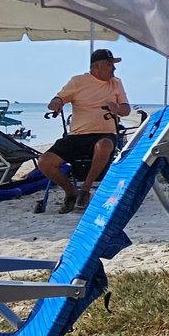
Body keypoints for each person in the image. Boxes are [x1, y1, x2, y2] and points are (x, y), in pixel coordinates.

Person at [39, 48, 131, 214]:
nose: (114, 68)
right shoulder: (77, 81)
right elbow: (59, 98)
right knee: (45, 162)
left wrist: (117, 108)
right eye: (110, 65)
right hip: (77, 136)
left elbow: (126, 110)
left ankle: (85, 190)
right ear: (96, 67)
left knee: (103, 145)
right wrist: (56, 103)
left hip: (104, 135)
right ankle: (70, 192)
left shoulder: (116, 83)